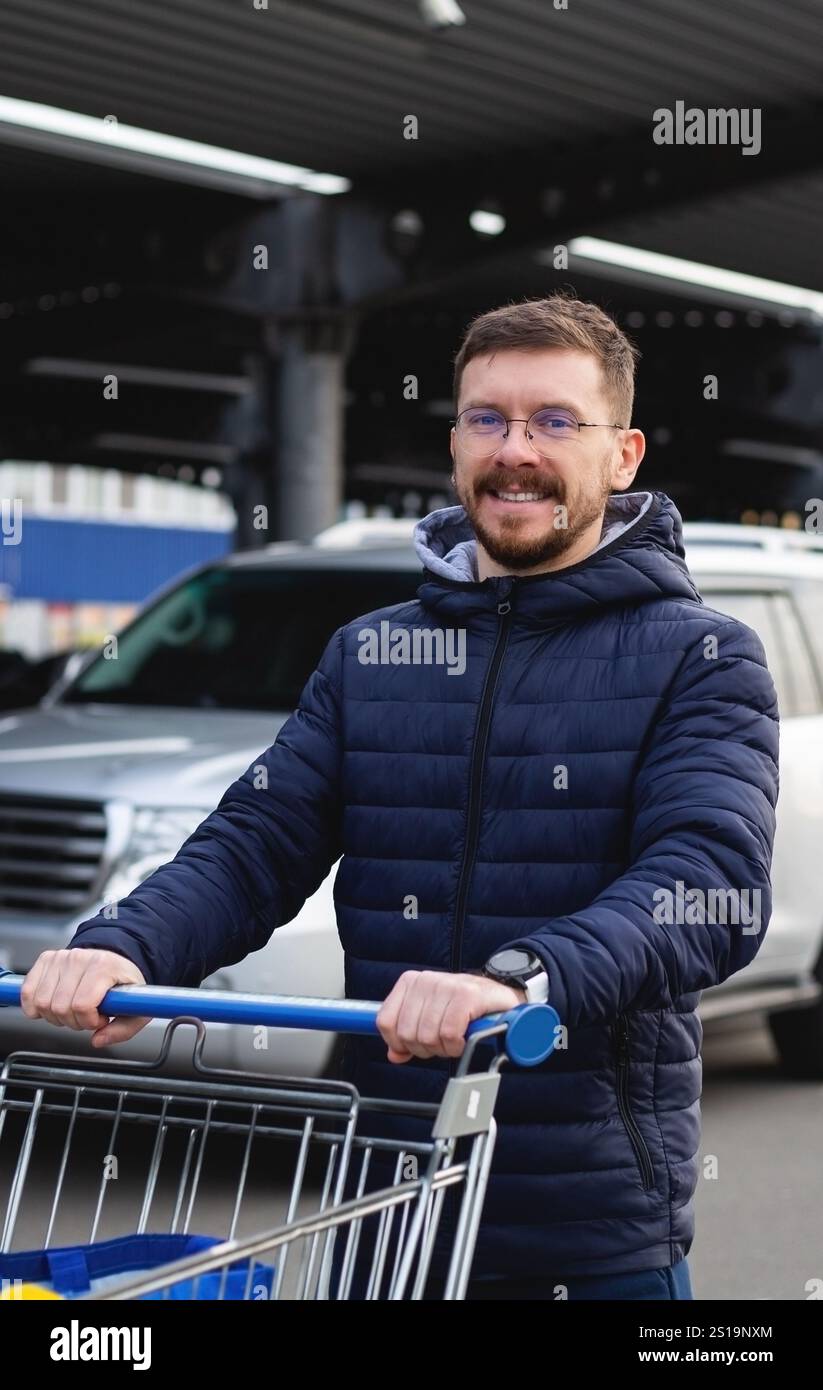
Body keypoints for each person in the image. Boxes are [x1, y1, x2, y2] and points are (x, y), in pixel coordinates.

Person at [21, 294, 779, 1300]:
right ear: (456, 440)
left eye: (555, 421)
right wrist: (127, 941)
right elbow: (260, 838)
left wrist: (519, 980)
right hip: (388, 1207)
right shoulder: (372, 651)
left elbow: (708, 883)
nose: (516, 450)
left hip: (585, 1235)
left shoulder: (701, 656)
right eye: (487, 419)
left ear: (623, 455)